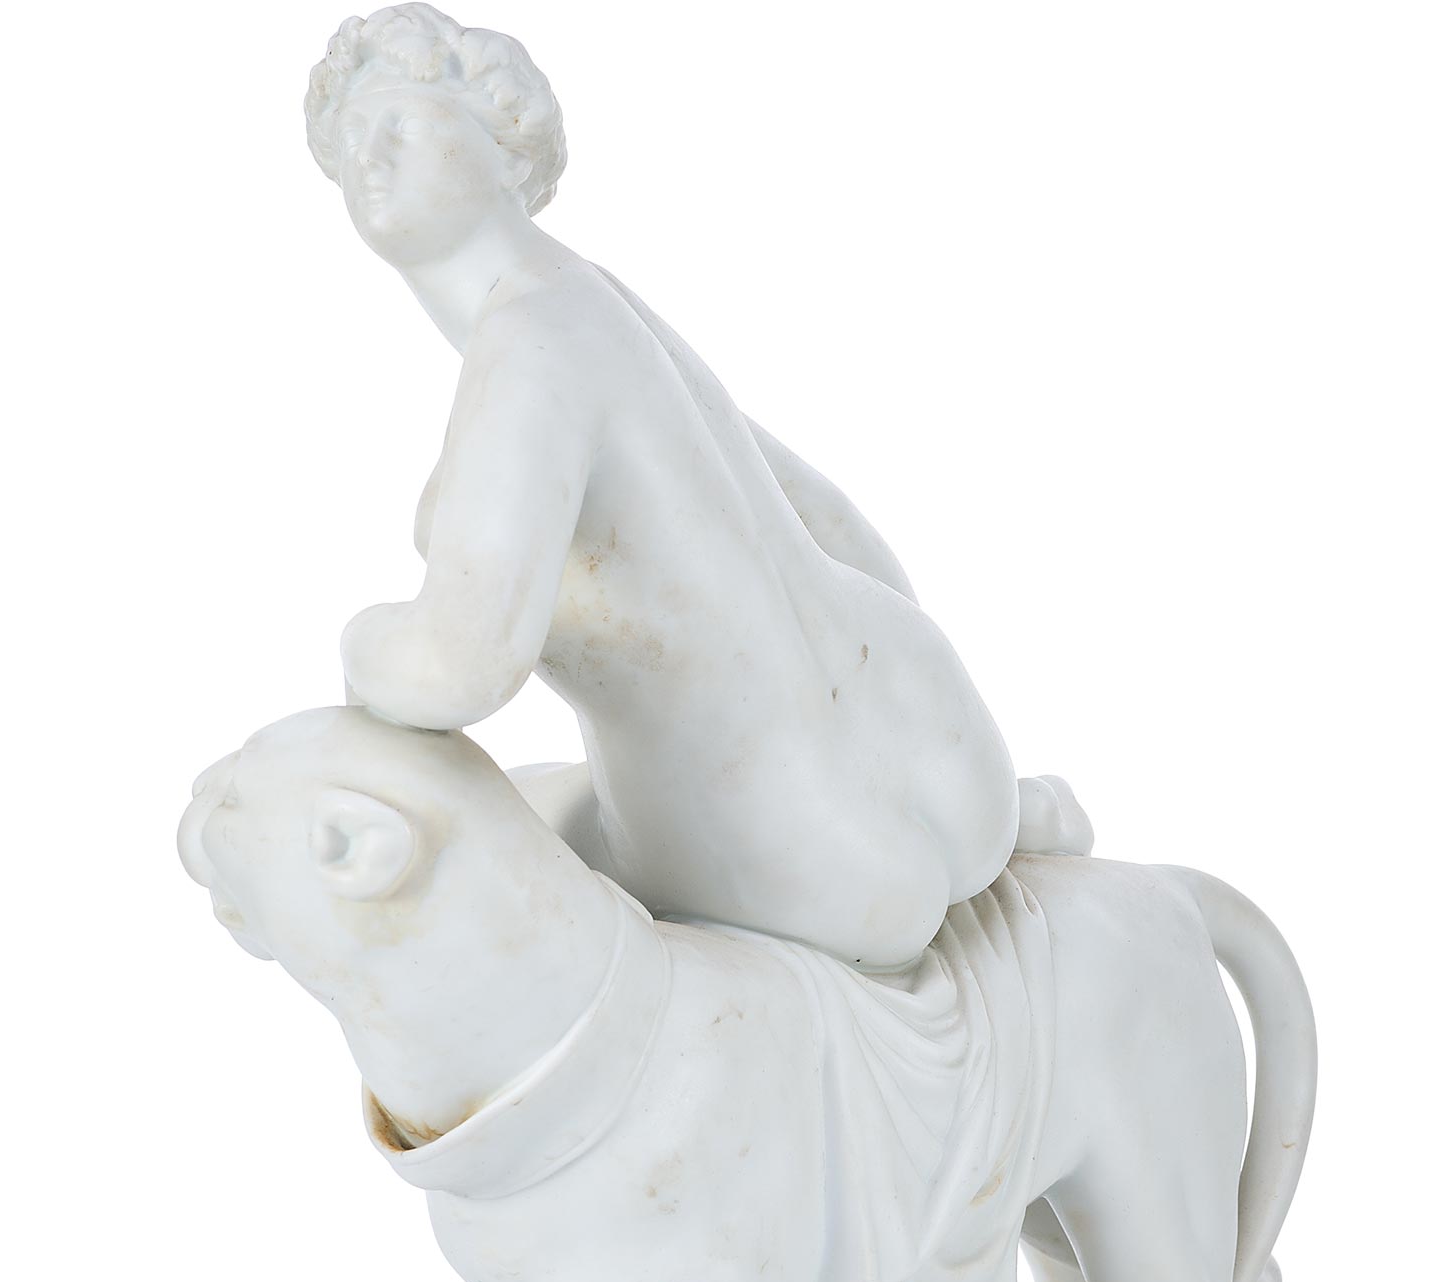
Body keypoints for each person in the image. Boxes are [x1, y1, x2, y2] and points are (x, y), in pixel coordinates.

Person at [306, 5, 1023, 968]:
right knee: (541, 793)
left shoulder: (529, 340)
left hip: (777, 853)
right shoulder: (593, 301)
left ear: (504, 144)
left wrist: (359, 644)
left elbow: (454, 669)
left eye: (401, 119)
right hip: (943, 751)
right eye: (350, 136)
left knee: (449, 854)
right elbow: (827, 519)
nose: (369, 155)